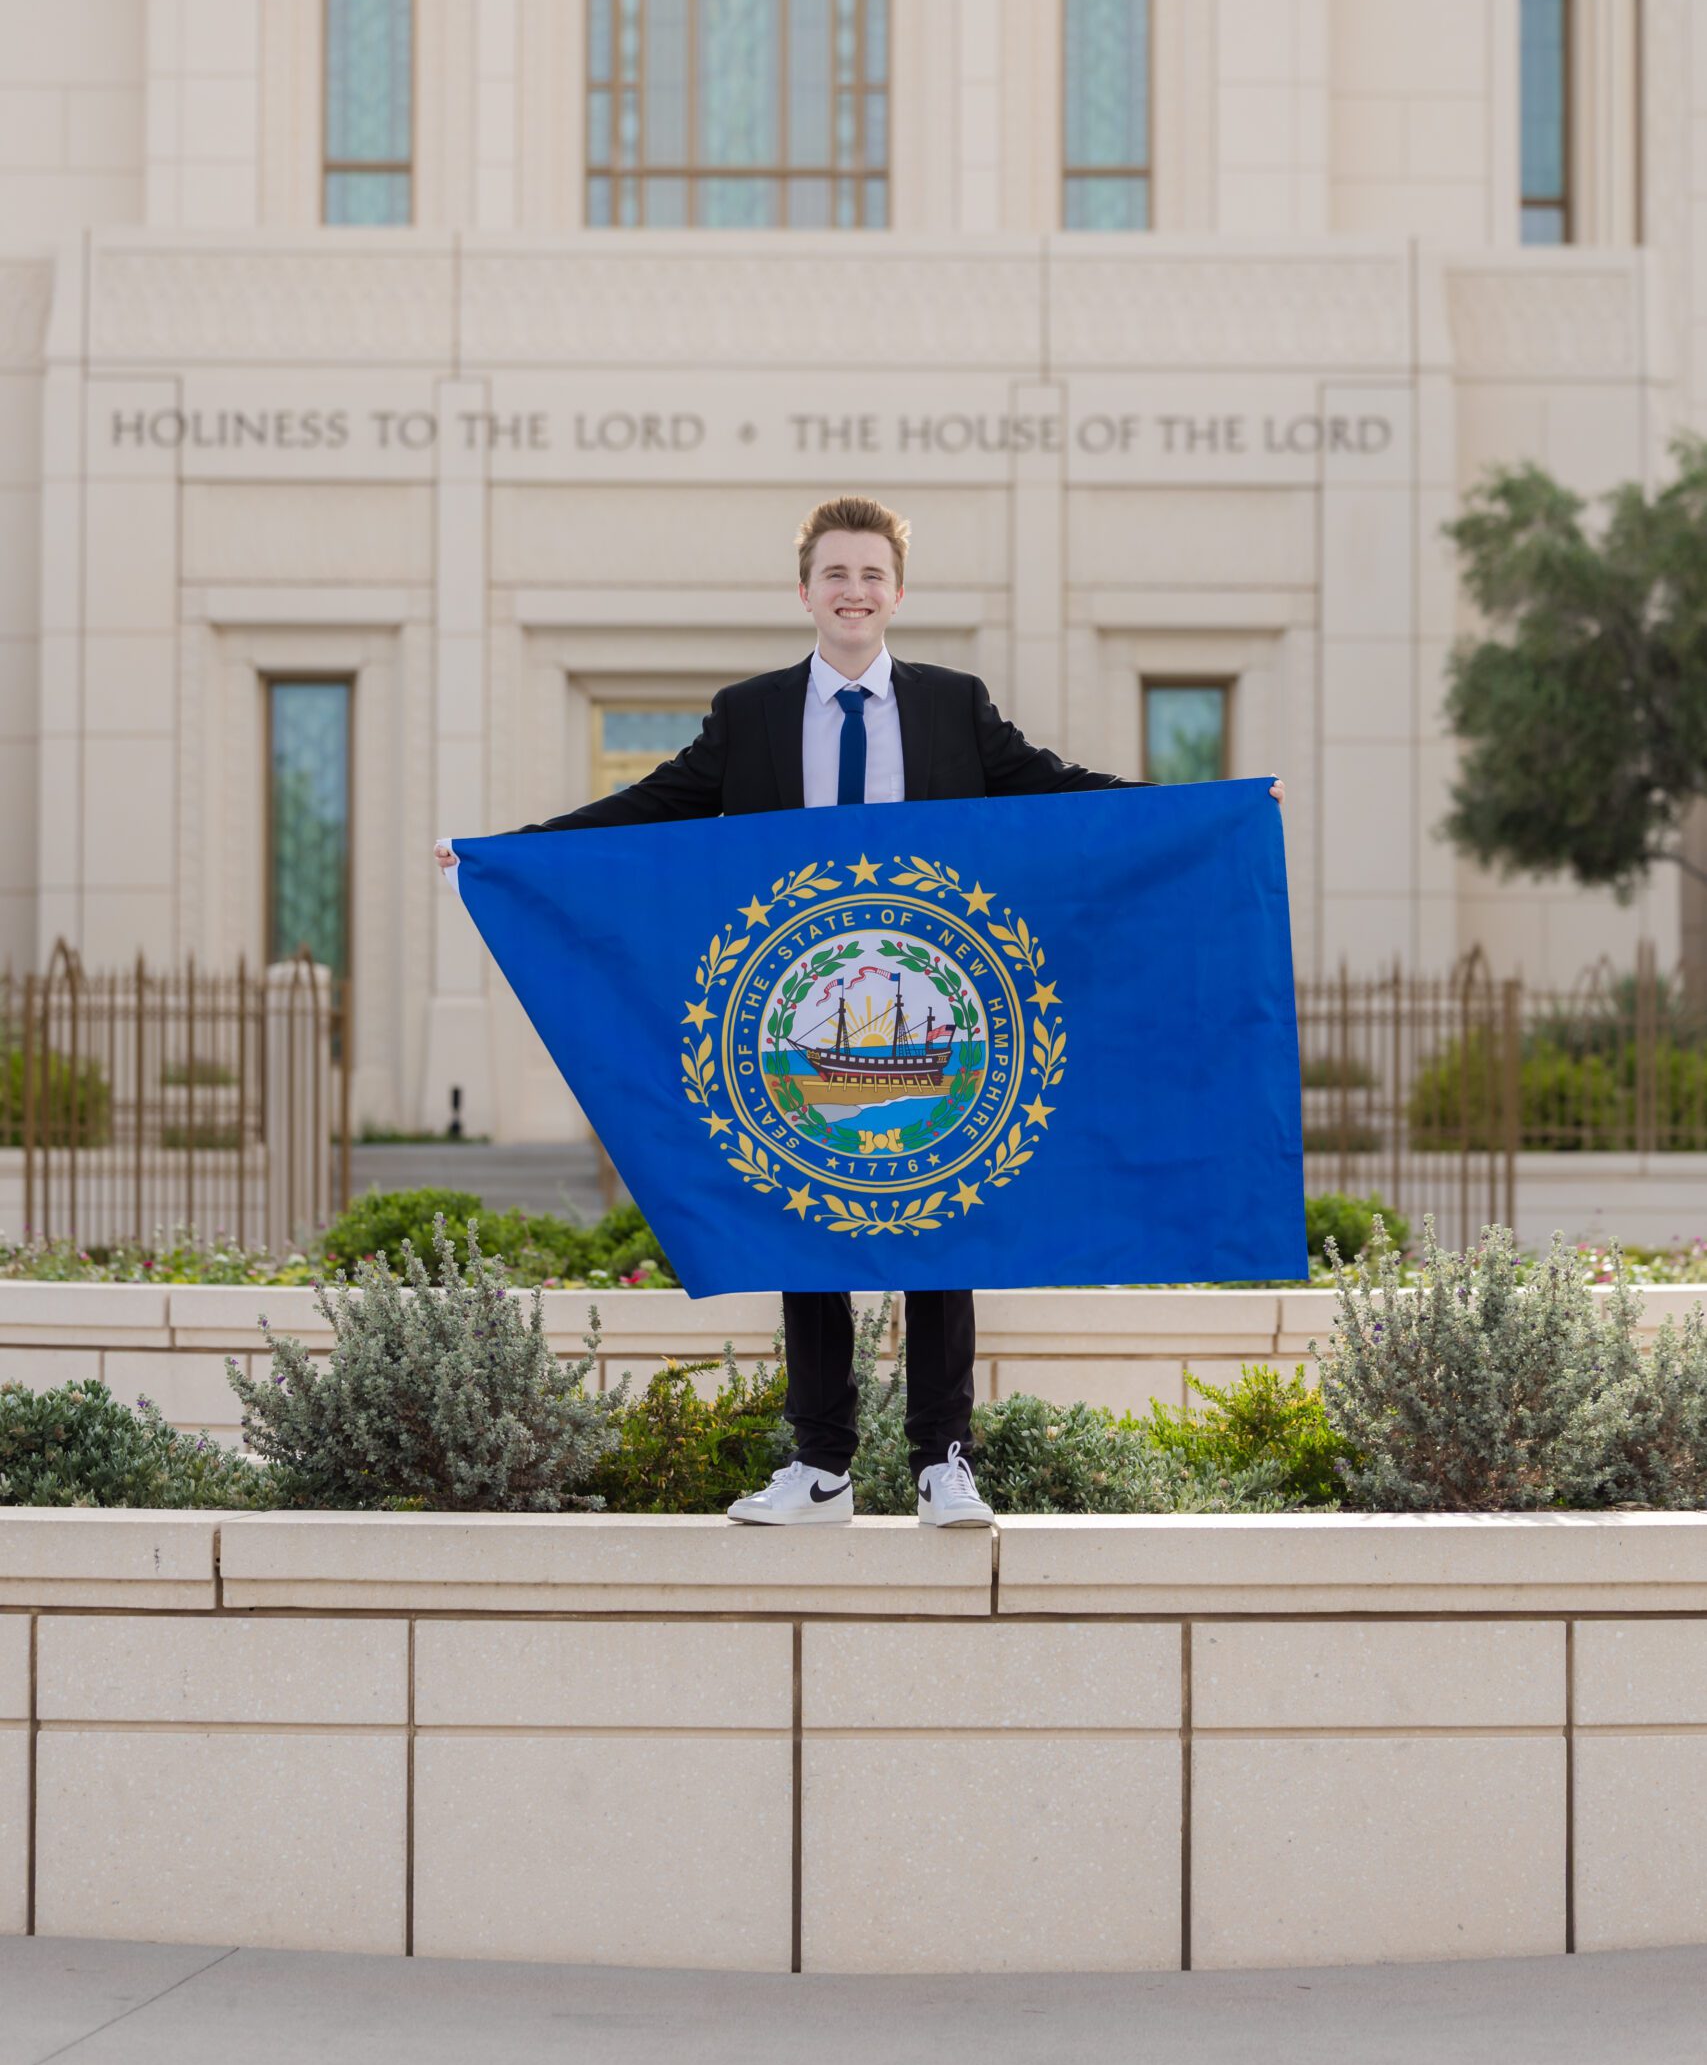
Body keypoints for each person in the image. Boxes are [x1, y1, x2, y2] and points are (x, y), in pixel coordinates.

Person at [436, 494, 1284, 1529]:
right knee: (808, 1221)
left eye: (872, 574)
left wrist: (1209, 816)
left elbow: (1057, 793)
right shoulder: (748, 715)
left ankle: (944, 1462)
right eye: (836, 573)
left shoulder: (952, 706)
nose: (854, 591)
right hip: (794, 1008)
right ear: (806, 590)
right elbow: (650, 809)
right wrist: (510, 855)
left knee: (940, 1220)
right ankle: (821, 1468)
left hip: (936, 997)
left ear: (897, 592)